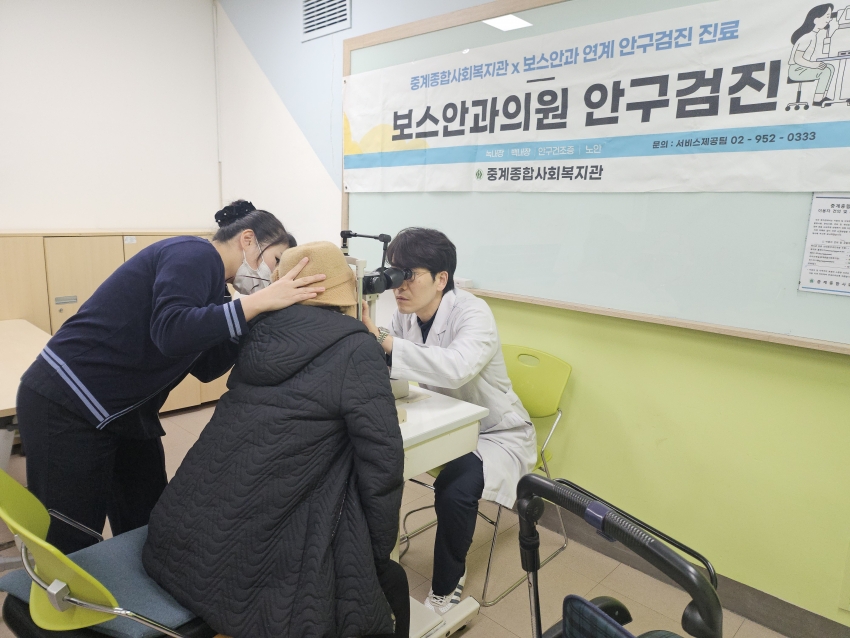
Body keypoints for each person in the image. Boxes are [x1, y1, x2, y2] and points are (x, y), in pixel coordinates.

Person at [16, 200, 326, 553]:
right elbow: (172, 331)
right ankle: (48, 590)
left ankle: (136, 582)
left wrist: (254, 317)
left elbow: (206, 368)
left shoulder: (217, 290)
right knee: (71, 534)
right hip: (67, 402)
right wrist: (254, 304)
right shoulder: (193, 254)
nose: (271, 277)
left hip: (125, 414)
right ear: (248, 239)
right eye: (274, 261)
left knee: (146, 518)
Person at [143, 241, 408, 638]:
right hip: (251, 577)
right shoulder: (356, 348)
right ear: (348, 294)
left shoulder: (256, 333)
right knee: (384, 582)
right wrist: (378, 551)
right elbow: (383, 463)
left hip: (177, 544)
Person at [360, 227, 535, 615]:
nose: (398, 286)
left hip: (494, 433)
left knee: (454, 488)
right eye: (394, 273)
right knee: (375, 460)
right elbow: (397, 367)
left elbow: (456, 368)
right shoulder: (406, 315)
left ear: (441, 279)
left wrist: (383, 341)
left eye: (409, 275)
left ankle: (446, 584)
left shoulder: (473, 312)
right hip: (446, 420)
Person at [789, 4, 839, 106]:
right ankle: (817, 100)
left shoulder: (813, 35)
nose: (829, 20)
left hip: (803, 67)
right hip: (796, 70)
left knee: (830, 67)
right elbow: (797, 58)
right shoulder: (808, 37)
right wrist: (813, 65)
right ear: (816, 20)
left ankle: (822, 96)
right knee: (825, 71)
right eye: (827, 16)